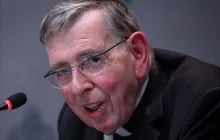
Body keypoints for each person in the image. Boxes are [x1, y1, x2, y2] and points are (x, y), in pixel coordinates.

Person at [39, 0, 220, 140]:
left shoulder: (204, 103)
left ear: (138, 54)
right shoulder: (72, 123)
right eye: (62, 71)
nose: (78, 87)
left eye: (93, 60)